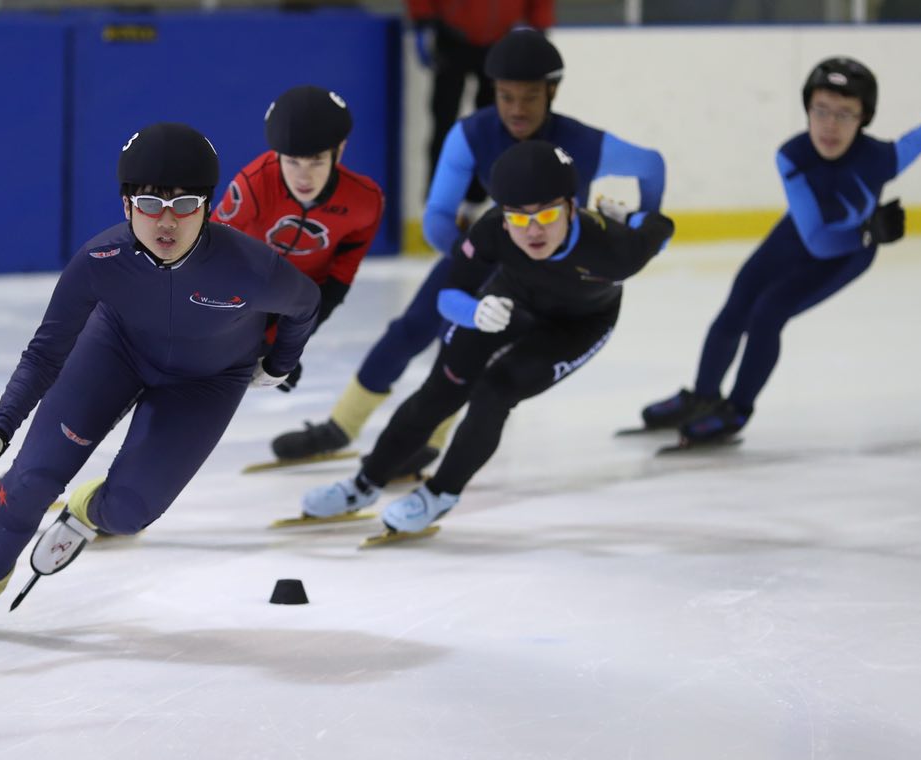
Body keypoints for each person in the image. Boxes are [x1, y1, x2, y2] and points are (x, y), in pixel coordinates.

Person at [0, 122, 320, 631]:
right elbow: (46, 352)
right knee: (31, 479)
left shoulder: (251, 269)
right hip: (116, 351)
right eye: (149, 204)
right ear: (126, 206)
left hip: (207, 381)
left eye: (184, 204)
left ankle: (86, 511)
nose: (166, 221)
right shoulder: (100, 260)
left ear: (208, 207)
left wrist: (278, 363)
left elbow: (306, 306)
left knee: (128, 513)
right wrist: (2, 425)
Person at [271, 28, 666, 469]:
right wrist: (470, 256)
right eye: (506, 96)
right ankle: (340, 426)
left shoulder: (584, 143)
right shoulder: (473, 134)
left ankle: (429, 443)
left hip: (555, 280)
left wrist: (638, 228)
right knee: (410, 329)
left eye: (529, 97)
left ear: (551, 92)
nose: (516, 109)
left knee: (461, 350)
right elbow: (438, 215)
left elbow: (650, 165)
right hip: (489, 255)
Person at [298, 140, 674, 533]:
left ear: (570, 206)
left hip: (580, 324)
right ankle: (363, 485)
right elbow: (448, 295)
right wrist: (474, 311)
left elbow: (661, 228)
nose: (532, 231)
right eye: (518, 217)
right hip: (510, 303)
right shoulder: (493, 229)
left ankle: (440, 494)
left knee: (495, 392)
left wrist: (630, 221)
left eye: (545, 214)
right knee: (441, 388)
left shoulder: (615, 250)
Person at [640, 57, 921, 446]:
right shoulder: (793, 156)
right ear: (807, 109)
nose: (830, 125)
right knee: (739, 300)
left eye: (845, 114)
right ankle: (703, 396)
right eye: (821, 110)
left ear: (864, 118)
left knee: (768, 314)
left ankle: (737, 409)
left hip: (846, 256)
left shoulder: (879, 159)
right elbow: (815, 237)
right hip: (803, 237)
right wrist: (868, 231)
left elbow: (917, 141)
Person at [213, 85, 385, 395]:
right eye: (291, 161)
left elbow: (337, 283)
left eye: (316, 161)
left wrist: (286, 345)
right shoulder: (254, 183)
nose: (303, 178)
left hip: (302, 298)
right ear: (277, 154)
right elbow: (209, 255)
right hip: (245, 289)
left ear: (340, 150)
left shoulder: (365, 202)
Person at [406, 0, 555, 204]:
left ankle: (480, 195)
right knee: (443, 119)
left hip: (503, 39)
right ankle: (438, 196)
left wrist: (538, 25)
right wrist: (423, 20)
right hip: (451, 35)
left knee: (494, 125)